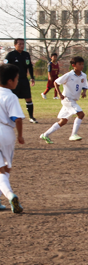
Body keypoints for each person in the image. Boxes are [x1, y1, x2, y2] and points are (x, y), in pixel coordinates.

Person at [39, 56, 88, 144]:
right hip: (67, 99)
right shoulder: (69, 75)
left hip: (73, 100)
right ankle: (73, 134)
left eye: (82, 64)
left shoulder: (83, 75)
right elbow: (56, 82)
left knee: (63, 121)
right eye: (79, 64)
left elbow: (85, 85)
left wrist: (84, 92)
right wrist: (59, 93)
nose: (82, 66)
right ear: (73, 65)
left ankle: (45, 134)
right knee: (81, 114)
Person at [0, 64, 25, 213]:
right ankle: (10, 195)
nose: (18, 81)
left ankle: (7, 196)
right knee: (5, 169)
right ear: (10, 81)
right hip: (6, 133)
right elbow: (18, 119)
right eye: (17, 79)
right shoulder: (10, 96)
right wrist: (20, 136)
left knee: (0, 170)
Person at [2, 39, 37, 123]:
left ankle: (31, 117)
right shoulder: (11, 55)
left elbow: (30, 67)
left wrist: (32, 77)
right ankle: (10, 116)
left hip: (24, 79)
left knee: (28, 98)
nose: (22, 45)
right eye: (20, 44)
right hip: (13, 81)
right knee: (13, 98)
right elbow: (5, 66)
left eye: (23, 44)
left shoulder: (26, 54)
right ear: (15, 45)